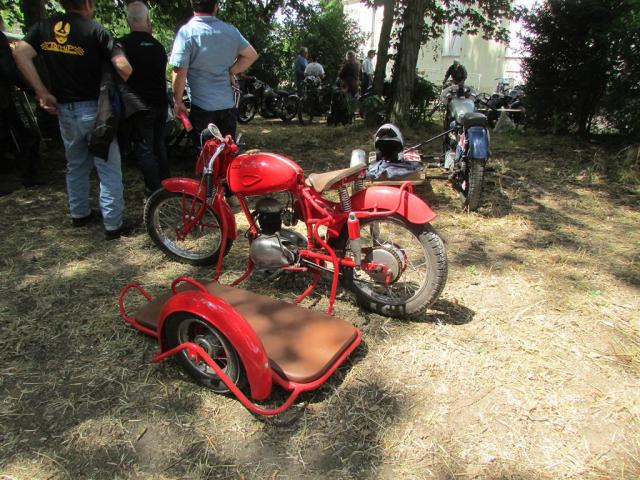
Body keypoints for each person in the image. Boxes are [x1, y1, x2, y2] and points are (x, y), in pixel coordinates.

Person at [14, 0, 133, 240]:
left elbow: (20, 52)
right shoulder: (95, 30)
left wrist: (41, 91)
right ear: (88, 3)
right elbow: (124, 67)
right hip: (97, 110)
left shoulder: (44, 27)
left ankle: (79, 213)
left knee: (76, 163)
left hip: (65, 109)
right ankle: (113, 225)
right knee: (107, 166)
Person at [170, 0, 258, 142]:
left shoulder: (186, 33)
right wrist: (231, 71)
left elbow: (180, 72)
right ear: (216, 7)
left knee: (207, 157)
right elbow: (251, 55)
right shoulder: (231, 31)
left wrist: (178, 102)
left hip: (202, 108)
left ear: (193, 6)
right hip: (228, 107)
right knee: (228, 152)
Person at [117, 1, 170, 196]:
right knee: (159, 146)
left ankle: (155, 191)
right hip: (160, 104)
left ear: (128, 21)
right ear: (148, 20)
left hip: (139, 106)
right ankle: (166, 184)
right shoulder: (158, 46)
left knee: (145, 148)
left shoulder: (122, 45)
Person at [0, 16, 42, 190]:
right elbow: (8, 69)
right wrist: (35, 90)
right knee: (28, 135)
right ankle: (28, 176)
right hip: (2, 98)